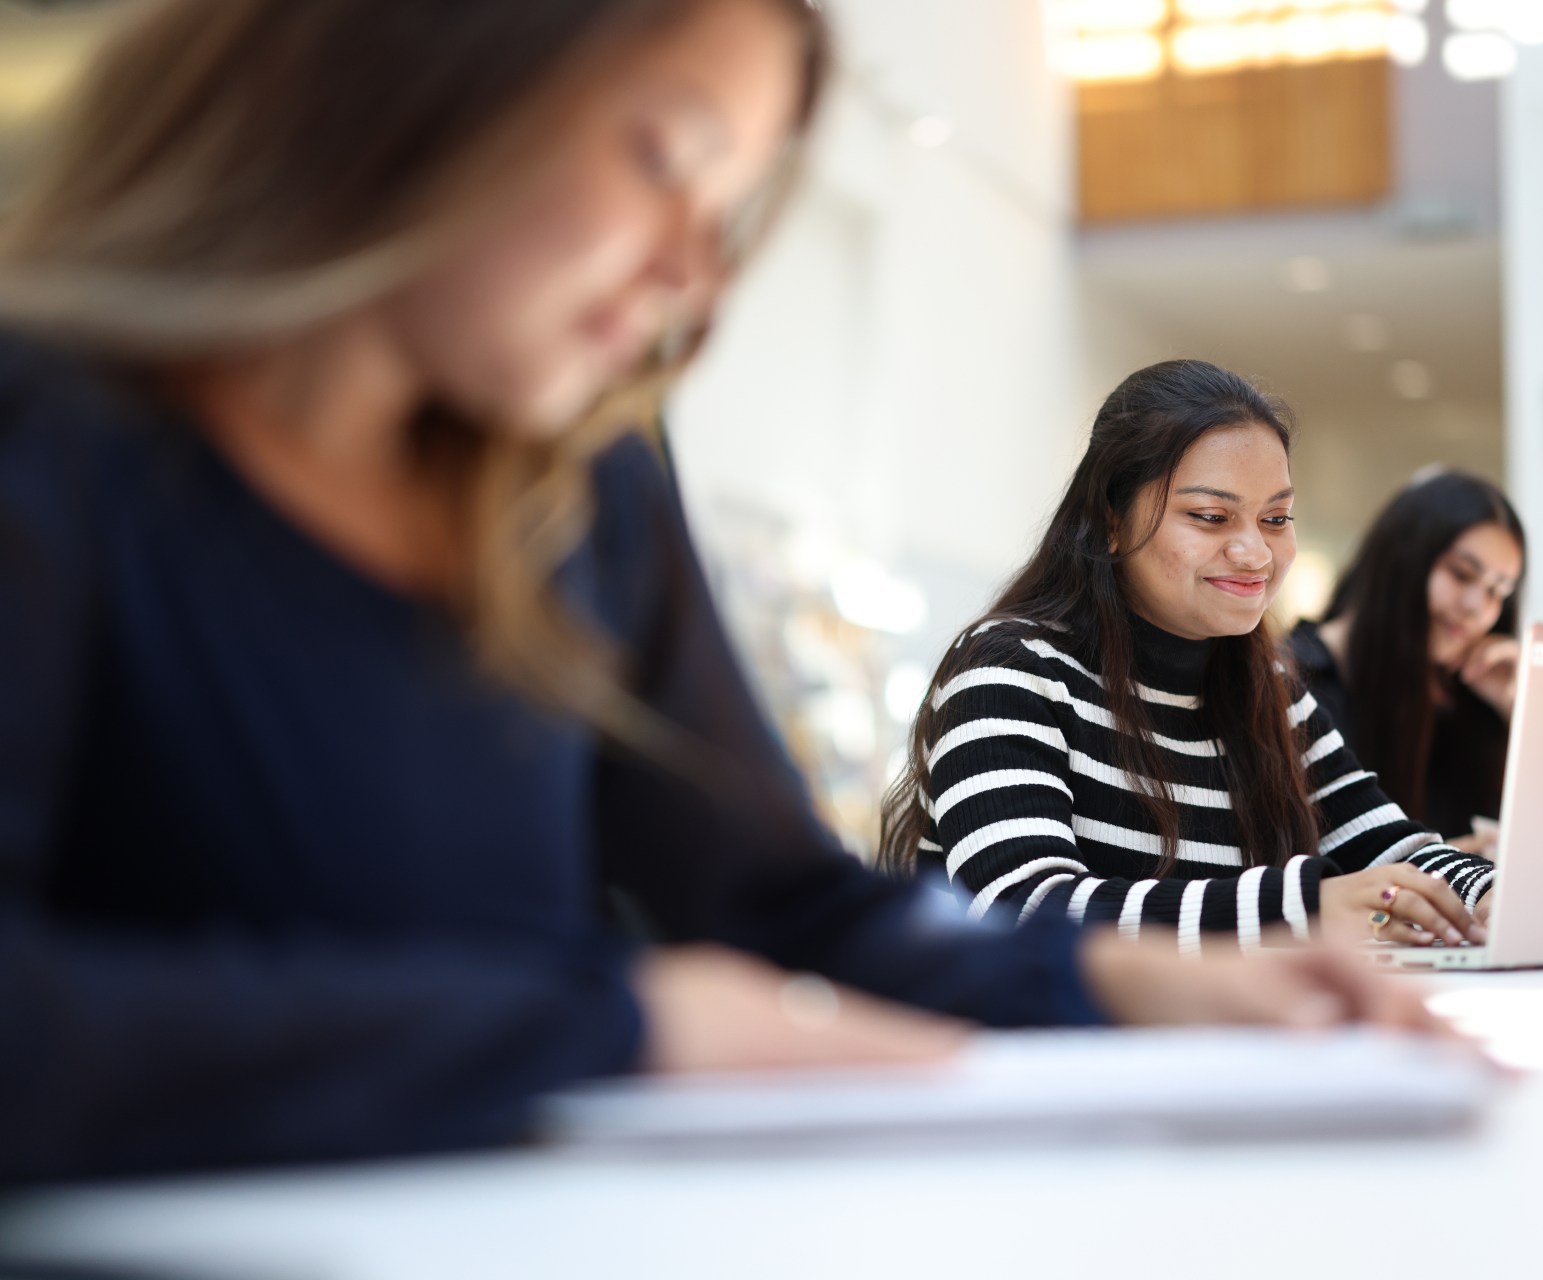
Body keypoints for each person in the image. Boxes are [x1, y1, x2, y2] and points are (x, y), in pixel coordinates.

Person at [0, 0, 1456, 1183]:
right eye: (662, 158)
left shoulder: (588, 498)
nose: (695, 274)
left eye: (732, 205)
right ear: (424, 69)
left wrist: (1119, 982)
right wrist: (612, 1029)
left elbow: (795, 902)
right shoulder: (53, 437)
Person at [879, 360, 1498, 950]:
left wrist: (1490, 894)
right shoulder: (1009, 671)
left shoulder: (1272, 687)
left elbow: (1389, 847)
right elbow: (1026, 909)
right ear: (1111, 521)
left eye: (1276, 518)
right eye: (1210, 517)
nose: (1255, 553)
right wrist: (1303, 908)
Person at [1288, 470, 1525, 847]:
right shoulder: (1293, 683)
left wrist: (1516, 709)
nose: (1476, 607)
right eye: (1462, 575)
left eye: (1497, 591)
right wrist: (1440, 864)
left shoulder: (1470, 696)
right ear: (1403, 557)